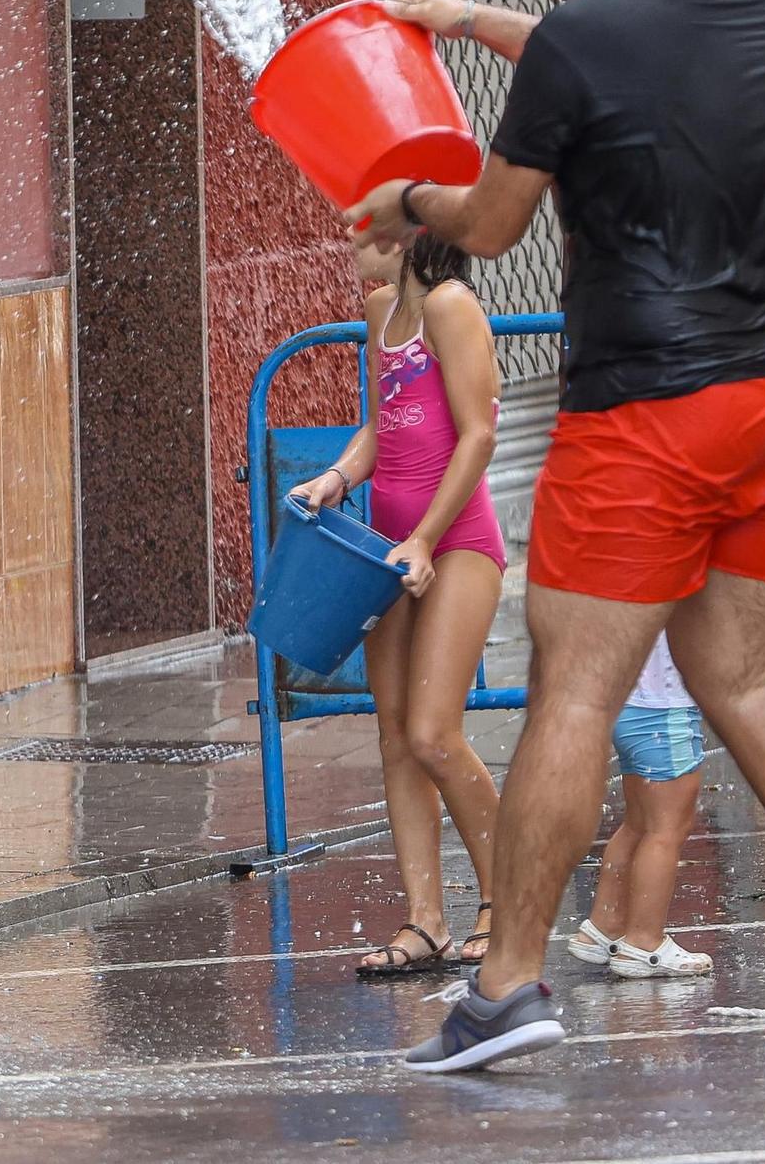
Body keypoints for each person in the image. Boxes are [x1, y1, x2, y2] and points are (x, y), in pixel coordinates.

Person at [351, 0, 765, 1070]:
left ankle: (503, 990)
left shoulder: (590, 40)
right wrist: (461, 22)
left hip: (653, 408)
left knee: (573, 687)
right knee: (742, 678)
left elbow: (490, 223)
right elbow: (585, 56)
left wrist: (405, 200)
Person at [294, 229, 506, 977]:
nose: (351, 237)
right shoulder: (381, 310)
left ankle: (504, 901)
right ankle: (425, 920)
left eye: (368, 224)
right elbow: (384, 427)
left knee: (434, 733)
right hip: (390, 549)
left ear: (409, 235)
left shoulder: (452, 306)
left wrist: (423, 537)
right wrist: (338, 478)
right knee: (393, 735)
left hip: (455, 542)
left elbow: (478, 433)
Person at [568, 632, 713, 980]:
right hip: (664, 706)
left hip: (626, 700)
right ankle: (645, 941)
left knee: (638, 822)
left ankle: (604, 925)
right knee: (667, 827)